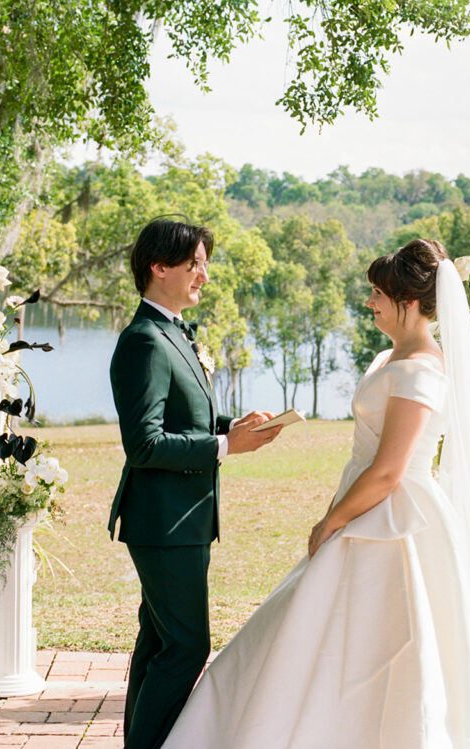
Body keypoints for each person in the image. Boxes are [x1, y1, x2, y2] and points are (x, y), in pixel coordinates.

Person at [160, 238, 470, 748]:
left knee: (400, 644)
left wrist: (331, 521)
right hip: (362, 505)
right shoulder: (392, 356)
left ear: (408, 303)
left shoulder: (420, 371)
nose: (369, 304)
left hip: (398, 523)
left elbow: (389, 471)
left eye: (377, 295)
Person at [108, 217, 283, 749]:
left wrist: (232, 425)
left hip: (184, 519)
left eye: (204, 263)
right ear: (159, 268)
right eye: (195, 264)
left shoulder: (173, 332)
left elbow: (183, 419)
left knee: (159, 642)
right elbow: (145, 446)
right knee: (186, 647)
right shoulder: (144, 341)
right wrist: (228, 447)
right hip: (163, 522)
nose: (204, 275)